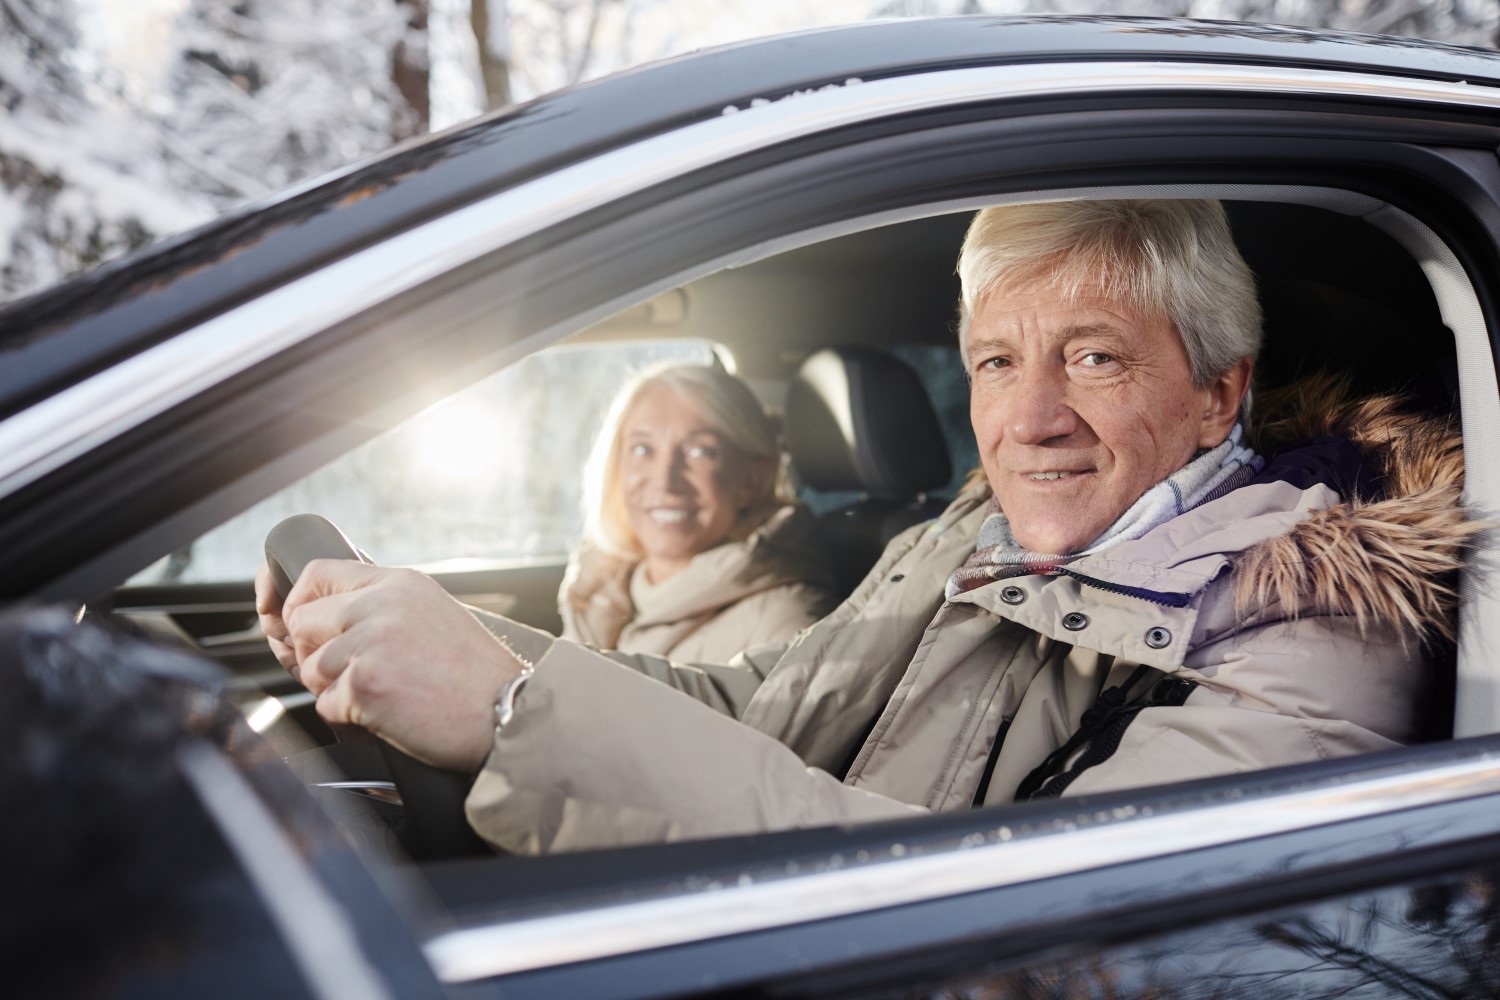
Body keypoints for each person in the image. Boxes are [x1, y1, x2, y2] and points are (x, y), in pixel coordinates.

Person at [258, 199, 1476, 855]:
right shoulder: (968, 543)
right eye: (996, 361)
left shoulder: (1317, 622)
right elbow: (758, 709)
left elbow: (1035, 928)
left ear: (1221, 392)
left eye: (1094, 356)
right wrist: (440, 635)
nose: (1032, 417)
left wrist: (511, 713)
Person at [558, 363, 835, 661]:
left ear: (751, 480)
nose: (665, 481)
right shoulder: (599, 589)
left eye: (700, 451)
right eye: (643, 450)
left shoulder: (786, 620)